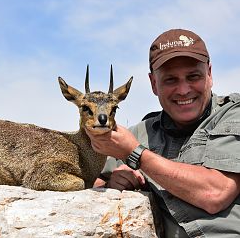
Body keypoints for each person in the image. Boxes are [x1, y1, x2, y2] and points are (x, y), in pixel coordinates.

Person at [86, 29, 240, 238]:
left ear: (210, 74)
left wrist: (136, 154)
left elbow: (215, 193)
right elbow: (86, 176)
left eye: (193, 76)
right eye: (170, 80)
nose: (184, 90)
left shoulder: (233, 114)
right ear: (153, 84)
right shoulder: (141, 132)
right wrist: (110, 183)